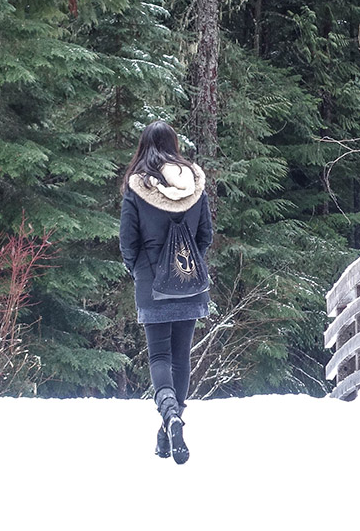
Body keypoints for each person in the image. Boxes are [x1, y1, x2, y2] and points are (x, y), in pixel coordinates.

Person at [119, 120, 212, 465]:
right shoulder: (194, 185)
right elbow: (205, 236)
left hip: (152, 285)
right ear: (174, 145)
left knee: (159, 357)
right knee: (181, 358)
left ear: (144, 146)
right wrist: (187, 268)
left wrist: (142, 272)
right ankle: (170, 424)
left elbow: (128, 242)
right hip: (189, 283)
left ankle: (169, 414)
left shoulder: (137, 188)